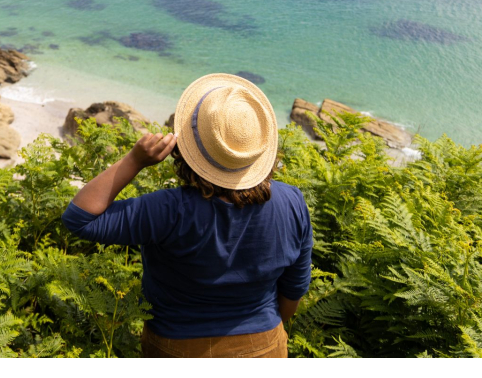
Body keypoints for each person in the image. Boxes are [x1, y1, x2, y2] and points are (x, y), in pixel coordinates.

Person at [61, 73, 313, 358]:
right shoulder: (292, 203)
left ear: (185, 146)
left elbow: (80, 218)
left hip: (176, 346)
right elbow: (293, 293)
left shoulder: (168, 210)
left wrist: (134, 160)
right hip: (264, 344)